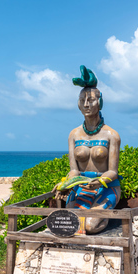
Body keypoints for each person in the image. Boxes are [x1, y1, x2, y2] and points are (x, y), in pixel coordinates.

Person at [53, 65, 121, 234]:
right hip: (81, 186)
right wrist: (64, 184)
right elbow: (74, 171)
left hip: (106, 187)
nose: (86, 104)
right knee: (69, 223)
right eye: (82, 100)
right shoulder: (74, 135)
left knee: (89, 225)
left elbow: (113, 171)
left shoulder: (112, 135)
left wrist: (101, 181)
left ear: (100, 103)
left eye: (91, 100)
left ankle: (103, 215)